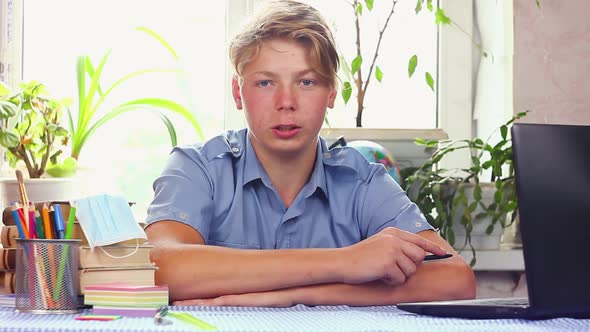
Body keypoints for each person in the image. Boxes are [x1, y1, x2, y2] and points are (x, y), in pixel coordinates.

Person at [145, 0, 475, 306]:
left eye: (306, 82)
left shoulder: (363, 181)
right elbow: (157, 267)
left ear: (331, 91)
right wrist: (348, 262)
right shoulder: (196, 167)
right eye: (265, 83)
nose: (285, 102)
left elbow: (456, 279)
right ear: (238, 92)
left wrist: (293, 296)